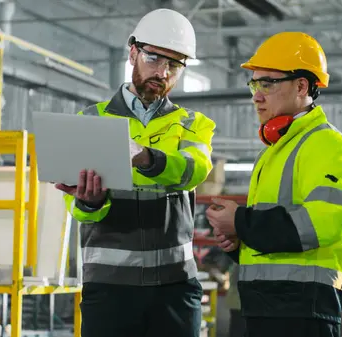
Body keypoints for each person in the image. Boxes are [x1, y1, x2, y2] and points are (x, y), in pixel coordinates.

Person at [54, 8, 215, 337]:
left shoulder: (191, 124)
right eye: (154, 58)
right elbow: (75, 209)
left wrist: (144, 157)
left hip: (174, 286)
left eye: (174, 64)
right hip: (110, 289)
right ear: (132, 53)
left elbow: (194, 170)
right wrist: (91, 201)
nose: (163, 72)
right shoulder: (90, 120)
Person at [205, 31, 342, 337]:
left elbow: (324, 223)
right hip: (265, 309)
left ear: (302, 85)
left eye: (268, 83)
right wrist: (240, 241)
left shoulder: (326, 145)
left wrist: (240, 219)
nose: (257, 95)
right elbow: (278, 237)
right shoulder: (274, 152)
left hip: (302, 313)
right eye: (254, 84)